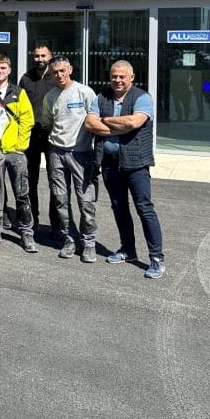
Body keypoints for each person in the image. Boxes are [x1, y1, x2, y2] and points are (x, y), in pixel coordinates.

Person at [84, 60, 165, 279]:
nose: (117, 80)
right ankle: (128, 250)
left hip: (136, 164)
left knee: (144, 209)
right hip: (110, 163)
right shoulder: (102, 97)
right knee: (119, 207)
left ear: (131, 77)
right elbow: (90, 124)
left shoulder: (142, 98)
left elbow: (133, 123)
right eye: (114, 76)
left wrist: (105, 121)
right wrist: (117, 128)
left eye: (122, 76)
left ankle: (157, 257)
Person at [0, 54, 37, 253]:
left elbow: (28, 119)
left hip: (15, 152)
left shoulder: (18, 93)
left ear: (9, 70)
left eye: (3, 68)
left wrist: (20, 145)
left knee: (22, 193)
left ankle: (27, 234)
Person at [41, 56, 98, 263]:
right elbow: (47, 123)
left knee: (86, 201)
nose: (59, 75)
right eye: (55, 72)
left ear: (70, 70)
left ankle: (89, 242)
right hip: (56, 153)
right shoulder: (50, 96)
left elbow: (95, 120)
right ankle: (70, 239)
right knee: (60, 199)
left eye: (62, 70)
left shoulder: (85, 92)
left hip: (81, 154)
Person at [19, 44, 53, 234]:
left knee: (54, 180)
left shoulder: (55, 77)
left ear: (50, 56)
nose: (40, 59)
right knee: (30, 179)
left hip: (51, 136)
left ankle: (56, 223)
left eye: (43, 55)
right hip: (31, 136)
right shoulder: (26, 78)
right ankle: (33, 218)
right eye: (37, 56)